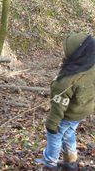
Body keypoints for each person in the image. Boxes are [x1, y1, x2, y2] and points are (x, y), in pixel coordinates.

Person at [36, 33, 95, 171]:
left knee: (55, 136)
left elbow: (58, 107)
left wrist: (52, 123)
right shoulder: (91, 67)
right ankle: (71, 162)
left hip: (69, 113)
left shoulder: (65, 81)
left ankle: (50, 163)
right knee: (68, 133)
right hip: (82, 111)